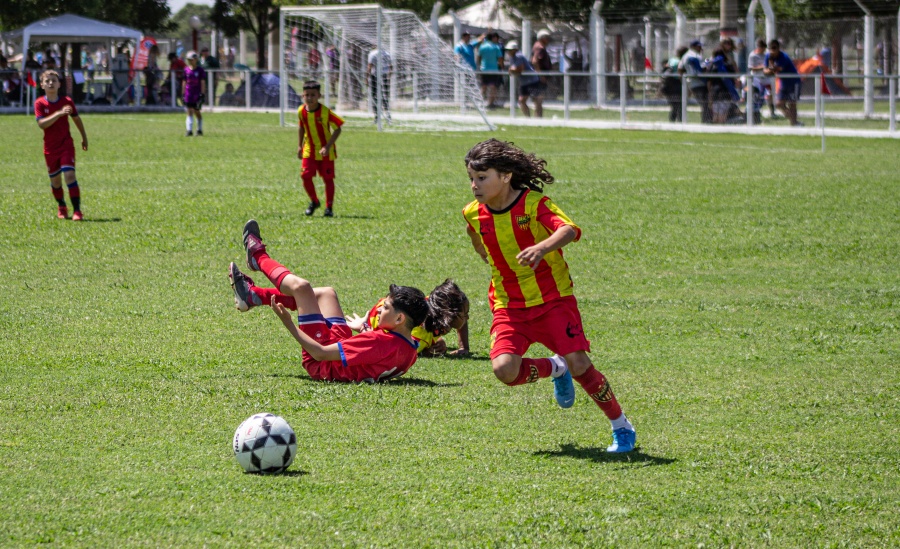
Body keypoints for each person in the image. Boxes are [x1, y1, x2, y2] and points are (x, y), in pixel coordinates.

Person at [461, 139, 636, 453]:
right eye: (471, 179)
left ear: (506, 176)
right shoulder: (472, 213)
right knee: (505, 370)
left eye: (482, 178)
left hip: (553, 300)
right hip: (508, 305)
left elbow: (568, 229)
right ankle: (556, 368)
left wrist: (542, 248)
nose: (475, 185)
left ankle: (621, 426)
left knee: (581, 364)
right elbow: (477, 239)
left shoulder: (533, 205)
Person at [228, 220, 430, 383]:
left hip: (321, 363)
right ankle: (253, 296)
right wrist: (365, 331)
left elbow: (320, 353)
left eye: (385, 308)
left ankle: (258, 257)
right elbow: (380, 357)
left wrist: (288, 323)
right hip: (339, 350)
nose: (378, 311)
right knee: (327, 294)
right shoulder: (410, 348)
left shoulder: (379, 341)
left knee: (302, 288)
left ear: (400, 318)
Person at [349, 279, 470, 358]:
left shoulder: (435, 305)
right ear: (448, 317)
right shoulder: (418, 333)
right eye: (464, 314)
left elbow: (461, 322)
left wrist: (463, 347)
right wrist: (425, 351)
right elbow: (396, 347)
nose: (467, 317)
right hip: (380, 317)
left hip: (392, 307)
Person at [34, 70, 89, 221]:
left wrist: (84, 137)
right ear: (42, 85)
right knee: (56, 181)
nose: (50, 83)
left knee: (70, 175)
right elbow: (41, 124)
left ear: (59, 84)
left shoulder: (67, 101)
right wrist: (58, 114)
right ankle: (62, 206)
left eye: (53, 80)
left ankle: (77, 211)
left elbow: (77, 119)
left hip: (66, 144)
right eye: (47, 81)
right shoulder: (39, 103)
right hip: (50, 148)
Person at [296, 80, 344, 217]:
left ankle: (329, 207)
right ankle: (314, 201)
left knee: (328, 179)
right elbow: (301, 127)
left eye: (313, 95)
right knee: (305, 176)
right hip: (309, 149)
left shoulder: (325, 112)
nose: (310, 98)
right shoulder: (301, 111)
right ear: (302, 96)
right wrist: (300, 146)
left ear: (319, 96)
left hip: (326, 152)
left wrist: (328, 146)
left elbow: (338, 128)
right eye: (307, 95)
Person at [764, 39, 802, 126]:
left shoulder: (784, 57)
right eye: (770, 48)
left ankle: (794, 123)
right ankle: (794, 120)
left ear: (778, 48)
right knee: (778, 104)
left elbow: (776, 69)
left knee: (792, 103)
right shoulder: (768, 56)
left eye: (774, 48)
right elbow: (765, 71)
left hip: (793, 82)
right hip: (783, 83)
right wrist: (770, 68)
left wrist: (770, 68)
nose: (772, 50)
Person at [504, 41, 543, 118]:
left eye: (510, 50)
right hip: (524, 82)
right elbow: (514, 69)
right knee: (522, 100)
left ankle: (539, 118)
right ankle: (528, 118)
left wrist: (512, 70)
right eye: (507, 50)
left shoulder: (519, 56)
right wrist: (512, 69)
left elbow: (520, 69)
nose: (508, 52)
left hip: (532, 81)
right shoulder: (512, 58)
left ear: (515, 50)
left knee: (536, 100)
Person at [679, 40, 710, 123]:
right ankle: (706, 121)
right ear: (693, 46)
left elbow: (680, 68)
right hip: (699, 82)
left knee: (704, 103)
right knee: (705, 103)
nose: (700, 48)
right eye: (699, 46)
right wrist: (708, 62)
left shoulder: (685, 56)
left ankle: (706, 120)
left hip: (691, 82)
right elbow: (703, 68)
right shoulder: (696, 56)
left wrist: (683, 81)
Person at [747, 39, 777, 120]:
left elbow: (769, 65)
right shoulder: (752, 55)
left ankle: (772, 112)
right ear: (758, 47)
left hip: (766, 78)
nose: (763, 50)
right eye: (762, 48)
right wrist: (762, 67)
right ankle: (756, 111)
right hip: (757, 79)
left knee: (770, 94)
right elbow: (751, 68)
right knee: (758, 95)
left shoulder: (766, 55)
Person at [182, 51, 206, 136]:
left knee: (197, 111)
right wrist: (183, 94)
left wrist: (202, 93)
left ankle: (199, 129)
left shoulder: (200, 70)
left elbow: (202, 82)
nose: (190, 61)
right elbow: (184, 82)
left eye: (192, 60)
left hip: (197, 93)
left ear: (196, 60)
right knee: (189, 111)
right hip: (189, 94)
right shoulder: (186, 70)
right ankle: (189, 130)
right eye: (189, 60)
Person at [660, 47, 687, 122]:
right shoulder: (678, 62)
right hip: (674, 86)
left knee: (676, 105)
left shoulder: (672, 60)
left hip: (669, 86)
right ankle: (677, 121)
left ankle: (677, 121)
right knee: (677, 105)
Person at [477, 32, 503, 108]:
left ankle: (480, 103)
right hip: (493, 69)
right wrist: (501, 66)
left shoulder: (482, 46)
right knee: (493, 87)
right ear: (492, 38)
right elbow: (500, 58)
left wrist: (479, 65)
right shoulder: (496, 47)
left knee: (483, 86)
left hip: (484, 69)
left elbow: (479, 57)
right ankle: (490, 103)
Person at [366, 47, 392, 124]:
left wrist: (366, 78)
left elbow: (369, 67)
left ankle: (380, 116)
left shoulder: (373, 54)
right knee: (384, 96)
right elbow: (391, 67)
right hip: (384, 76)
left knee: (376, 97)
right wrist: (389, 77)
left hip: (375, 76)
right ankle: (386, 115)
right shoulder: (387, 54)